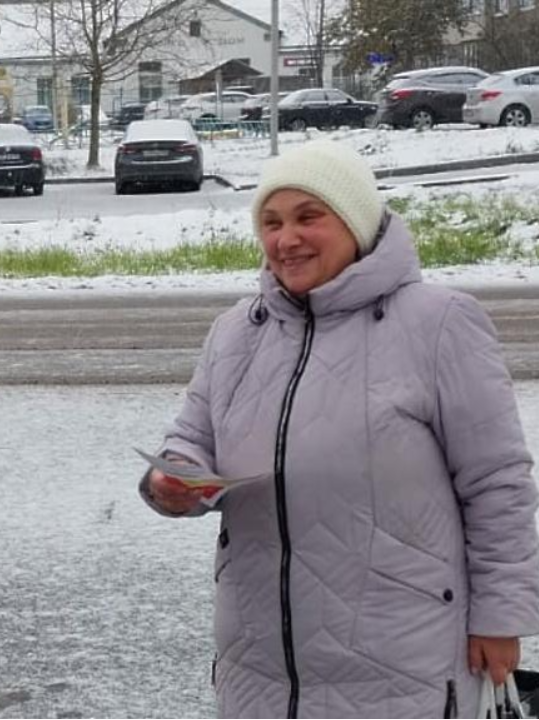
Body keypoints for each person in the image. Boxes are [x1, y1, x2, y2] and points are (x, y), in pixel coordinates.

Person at [140, 139, 539, 718]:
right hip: (259, 663)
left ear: (357, 222)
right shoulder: (236, 333)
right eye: (272, 223)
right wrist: (172, 481)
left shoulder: (440, 323)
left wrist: (500, 618)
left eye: (309, 217)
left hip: (400, 662)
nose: (286, 239)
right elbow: (191, 438)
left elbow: (496, 483)